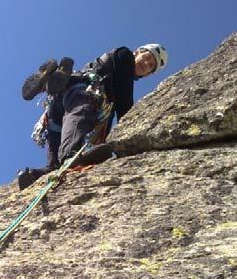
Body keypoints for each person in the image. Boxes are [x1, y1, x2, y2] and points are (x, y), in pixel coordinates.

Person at [17, 44, 168, 190]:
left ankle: (35, 175)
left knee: (56, 133)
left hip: (63, 99)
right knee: (80, 114)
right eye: (147, 57)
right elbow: (124, 100)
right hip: (85, 93)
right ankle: (71, 155)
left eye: (150, 66)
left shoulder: (114, 70)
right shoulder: (125, 55)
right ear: (137, 52)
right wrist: (129, 131)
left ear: (148, 74)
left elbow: (112, 112)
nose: (146, 63)